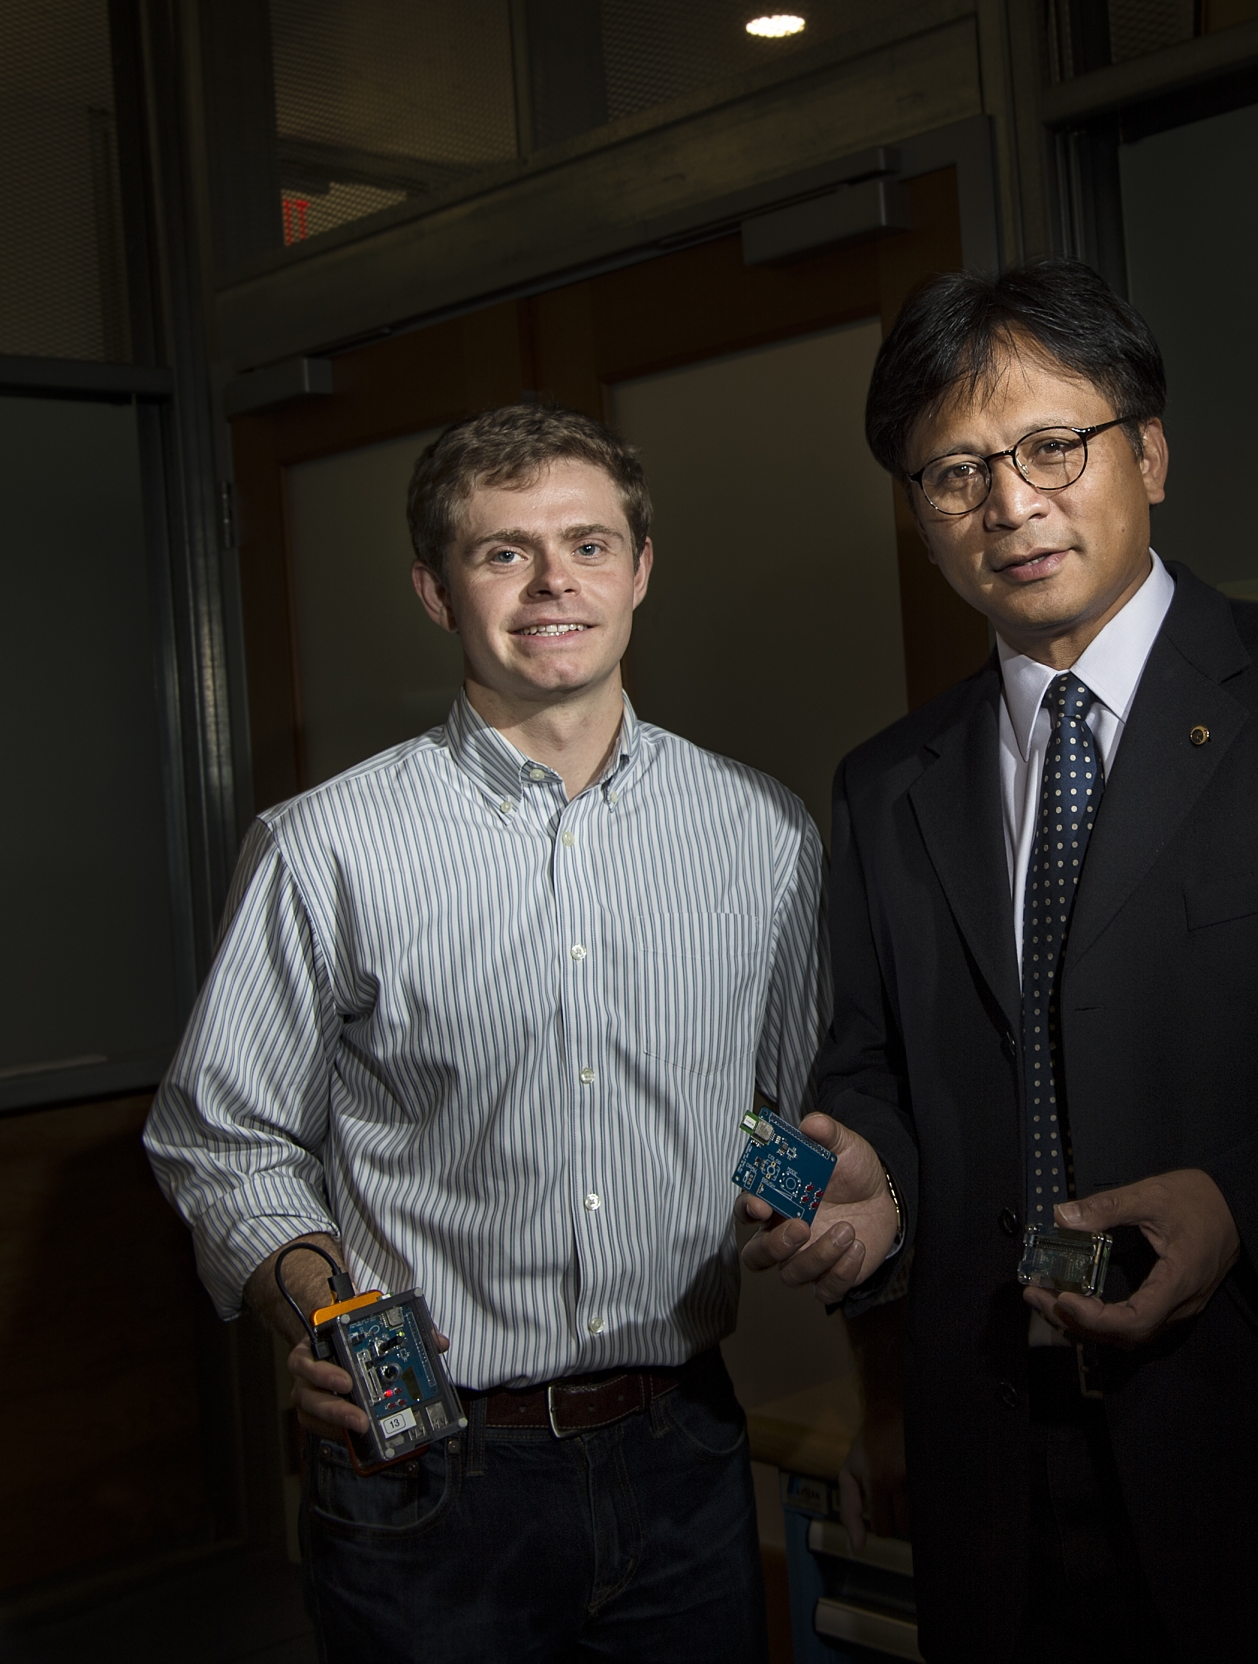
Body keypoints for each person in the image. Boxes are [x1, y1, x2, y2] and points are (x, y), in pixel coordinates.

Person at [742, 259, 1258, 1659]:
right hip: (1002, 1478)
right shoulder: (888, 784)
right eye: (953, 474)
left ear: (1152, 453)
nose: (1010, 504)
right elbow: (876, 1063)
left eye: (1053, 446)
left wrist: (1244, 1205)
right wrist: (874, 1179)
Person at [147, 404, 826, 1661]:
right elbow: (221, 1139)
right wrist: (317, 1305)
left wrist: (804, 1213)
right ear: (433, 586)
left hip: (684, 1444)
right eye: (504, 550)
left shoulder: (763, 833)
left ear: (640, 569)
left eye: (588, 542)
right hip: (426, 1466)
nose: (554, 580)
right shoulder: (326, 847)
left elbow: (770, 1114)